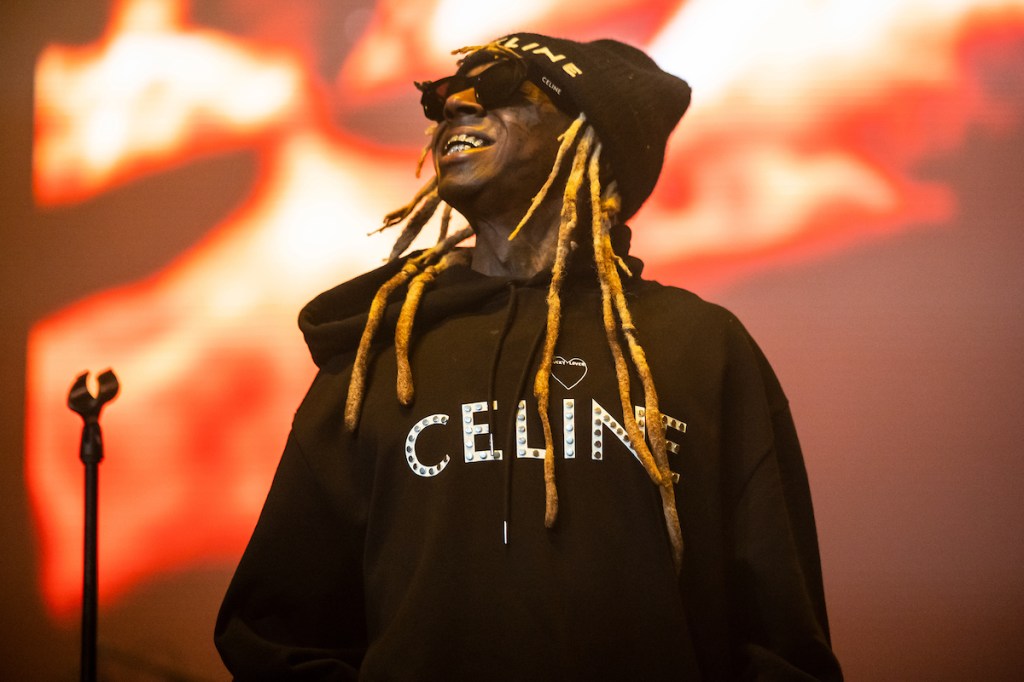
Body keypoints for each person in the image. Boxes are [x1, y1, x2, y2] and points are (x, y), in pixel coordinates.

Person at [214, 32, 843, 681]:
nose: (456, 103)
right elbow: (274, 630)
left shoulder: (701, 346)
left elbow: (781, 638)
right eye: (441, 95)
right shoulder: (382, 350)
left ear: (591, 138)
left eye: (500, 87)